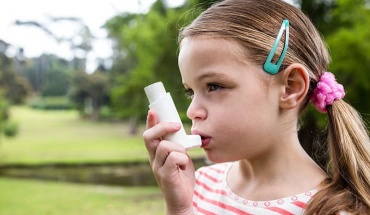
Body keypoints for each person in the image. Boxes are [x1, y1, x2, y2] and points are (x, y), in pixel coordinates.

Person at [143, 0, 370, 214]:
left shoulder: (328, 210)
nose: (192, 111)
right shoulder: (199, 184)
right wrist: (180, 210)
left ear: (291, 88)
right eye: (191, 92)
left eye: (214, 86)